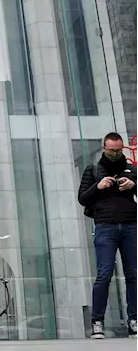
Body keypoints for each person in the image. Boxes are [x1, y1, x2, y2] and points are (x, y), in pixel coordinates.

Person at [78, 132, 138, 339]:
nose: (115, 153)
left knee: (134, 274)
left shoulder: (132, 169)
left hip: (131, 225)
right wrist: (99, 186)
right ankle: (97, 321)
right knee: (104, 275)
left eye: (119, 150)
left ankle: (134, 320)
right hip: (105, 226)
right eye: (111, 150)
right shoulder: (93, 169)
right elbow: (83, 198)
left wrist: (133, 185)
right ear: (104, 147)